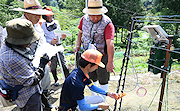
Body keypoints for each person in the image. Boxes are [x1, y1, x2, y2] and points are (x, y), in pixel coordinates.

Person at [12, 0, 54, 110]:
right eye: (36, 14)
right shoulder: (17, 26)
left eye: (40, 14)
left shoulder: (37, 25)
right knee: (31, 90)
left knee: (42, 83)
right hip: (25, 63)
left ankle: (44, 103)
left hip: (39, 60)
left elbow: (42, 42)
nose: (39, 17)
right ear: (27, 14)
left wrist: (47, 56)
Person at [0, 18, 49, 111]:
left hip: (26, 91)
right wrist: (42, 64)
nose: (31, 43)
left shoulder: (8, 44)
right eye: (28, 40)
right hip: (27, 96)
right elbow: (32, 80)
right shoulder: (12, 58)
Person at [74, 0, 115, 101]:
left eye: (98, 15)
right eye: (93, 15)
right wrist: (77, 45)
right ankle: (94, 98)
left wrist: (110, 62)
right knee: (91, 76)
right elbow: (80, 33)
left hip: (102, 55)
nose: (96, 18)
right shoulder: (83, 19)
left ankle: (102, 101)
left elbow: (110, 44)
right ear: (88, 13)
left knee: (103, 78)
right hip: (88, 54)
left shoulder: (107, 23)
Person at [41, 6, 69, 86]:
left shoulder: (56, 22)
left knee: (63, 63)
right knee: (53, 65)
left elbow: (59, 33)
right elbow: (42, 38)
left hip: (58, 45)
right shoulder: (42, 25)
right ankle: (56, 80)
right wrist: (50, 41)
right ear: (45, 16)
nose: (50, 17)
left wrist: (62, 37)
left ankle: (67, 79)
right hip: (50, 47)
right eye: (48, 15)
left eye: (51, 15)